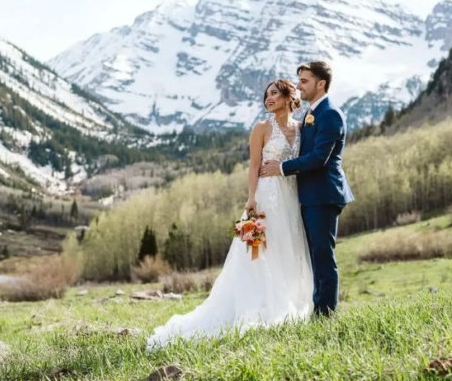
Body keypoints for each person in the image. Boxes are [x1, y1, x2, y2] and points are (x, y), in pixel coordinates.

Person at [146, 78, 313, 350]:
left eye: (274, 93)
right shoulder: (261, 128)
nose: (268, 98)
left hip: (291, 199)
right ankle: (261, 308)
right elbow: (253, 166)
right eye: (266, 94)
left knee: (288, 250)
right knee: (257, 255)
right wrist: (251, 199)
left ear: (288, 97)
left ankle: (291, 305)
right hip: (264, 200)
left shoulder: (301, 129)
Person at [259, 61, 353, 317]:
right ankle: (316, 309)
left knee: (322, 256)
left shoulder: (330, 114)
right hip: (309, 195)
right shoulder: (312, 114)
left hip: (323, 194)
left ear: (320, 84)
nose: (299, 86)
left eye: (304, 81)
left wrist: (280, 168)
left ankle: (326, 314)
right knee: (313, 255)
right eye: (298, 81)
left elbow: (318, 158)